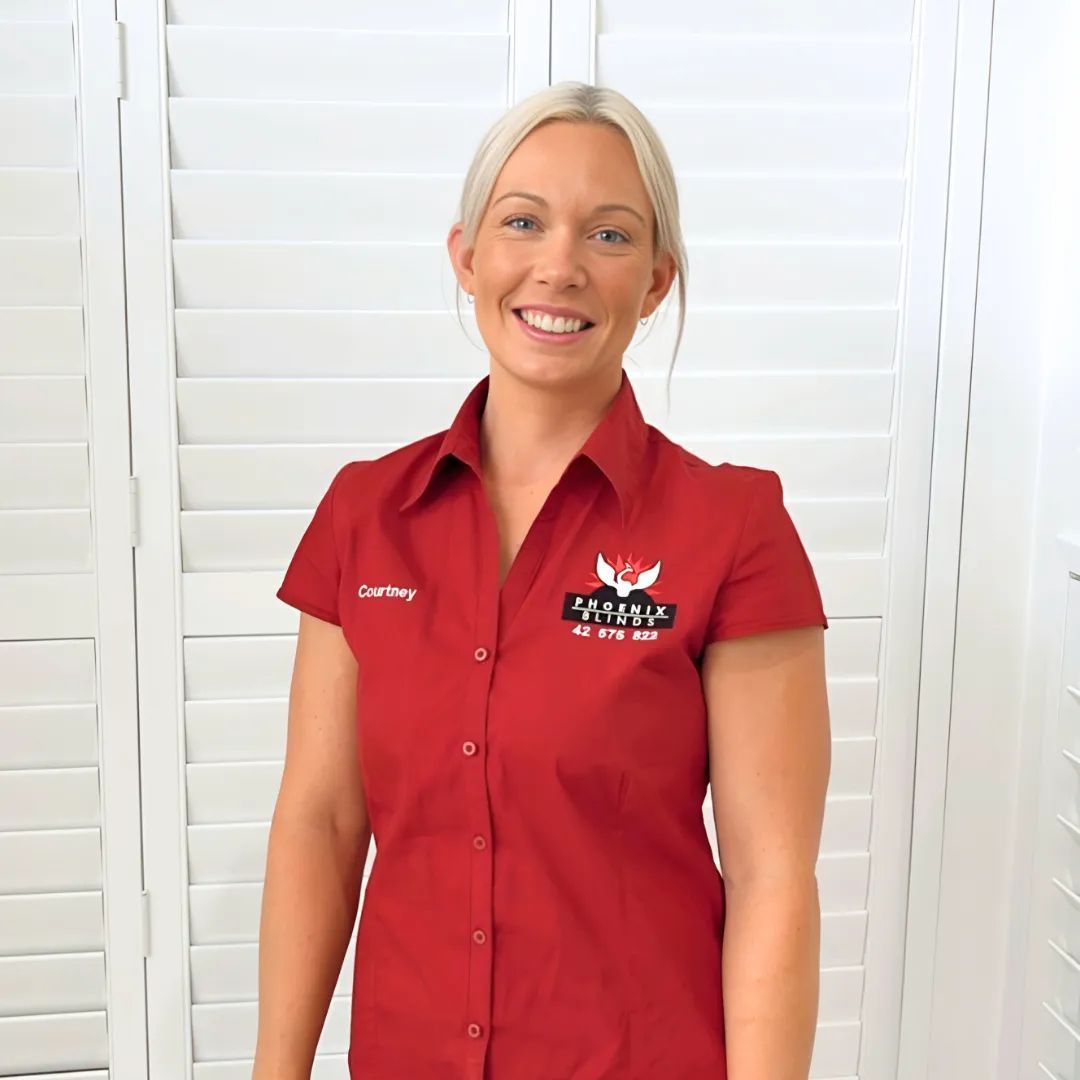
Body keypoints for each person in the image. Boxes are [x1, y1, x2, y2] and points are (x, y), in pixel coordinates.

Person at [253, 81, 830, 1080]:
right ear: (468, 257)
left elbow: (773, 877)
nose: (558, 266)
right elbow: (321, 819)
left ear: (655, 281)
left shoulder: (733, 528)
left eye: (609, 236)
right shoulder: (364, 516)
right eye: (523, 223)